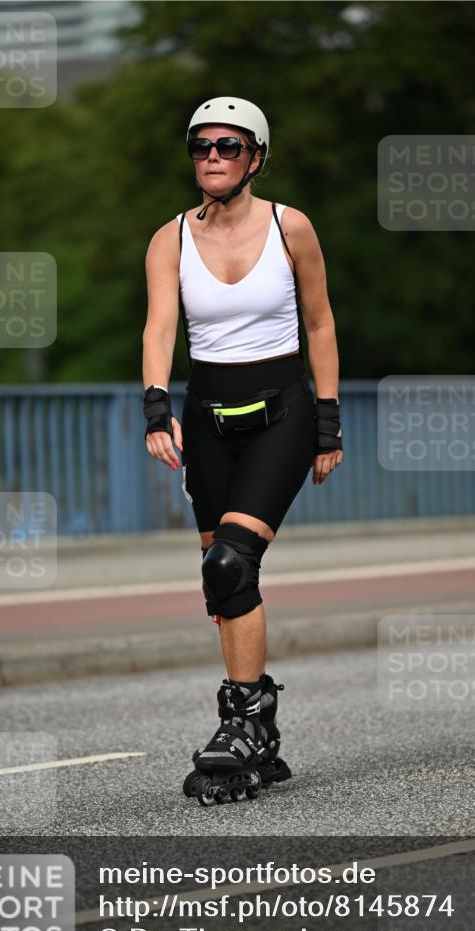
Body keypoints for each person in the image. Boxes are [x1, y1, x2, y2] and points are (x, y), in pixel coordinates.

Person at [142, 97, 342, 805]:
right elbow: (159, 326)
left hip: (282, 410)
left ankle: (244, 724)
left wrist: (327, 420)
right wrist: (155, 407)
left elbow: (318, 322)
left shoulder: (291, 227)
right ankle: (255, 726)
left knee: (233, 558)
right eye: (201, 147)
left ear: (255, 156)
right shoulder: (169, 238)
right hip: (207, 414)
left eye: (228, 146)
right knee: (219, 579)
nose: (213, 158)